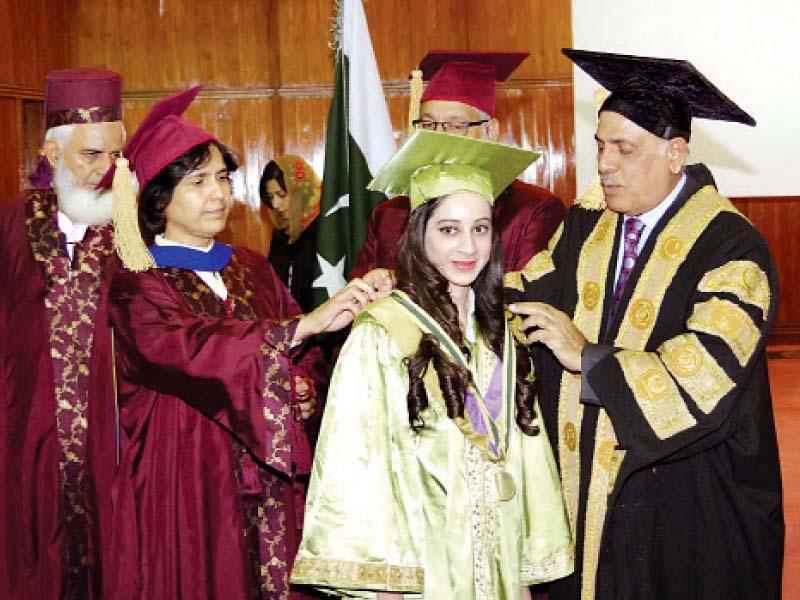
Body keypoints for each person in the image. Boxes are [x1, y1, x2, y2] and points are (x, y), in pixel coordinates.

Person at [508, 49, 784, 600]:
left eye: (624, 150)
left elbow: (701, 377)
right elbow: (533, 289)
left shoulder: (732, 247)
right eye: (601, 147)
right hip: (588, 486)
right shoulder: (588, 224)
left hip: (689, 498)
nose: (604, 164)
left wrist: (585, 357)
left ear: (675, 153)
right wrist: (435, 291)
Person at [104, 86, 379, 600]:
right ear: (159, 197)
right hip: (188, 474)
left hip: (268, 473)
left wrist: (303, 386)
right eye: (199, 181)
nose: (218, 193)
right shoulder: (139, 279)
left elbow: (310, 351)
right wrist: (298, 330)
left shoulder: (250, 266)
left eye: (224, 178)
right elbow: (187, 347)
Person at [291, 130, 573, 599]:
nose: (468, 247)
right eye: (449, 229)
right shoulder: (381, 334)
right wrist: (385, 586)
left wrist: (523, 575)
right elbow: (358, 465)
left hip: (497, 565)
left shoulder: (503, 335)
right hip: (422, 570)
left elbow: (527, 460)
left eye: (481, 228)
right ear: (419, 235)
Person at [0, 68, 124, 599]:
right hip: (26, 436)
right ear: (51, 155)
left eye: (115, 155)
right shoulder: (10, 223)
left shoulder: (136, 226)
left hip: (113, 438)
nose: (105, 169)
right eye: (90, 155)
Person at [350, 51, 566, 279]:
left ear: (490, 131)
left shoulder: (532, 210)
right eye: (429, 124)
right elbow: (360, 299)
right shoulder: (390, 215)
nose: (440, 138)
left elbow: (529, 296)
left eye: (456, 125)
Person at [259, 156, 322, 313]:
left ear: (300, 191)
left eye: (281, 195)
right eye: (271, 197)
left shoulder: (325, 230)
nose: (276, 205)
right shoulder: (281, 234)